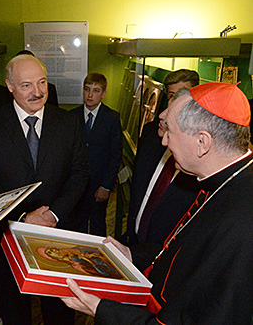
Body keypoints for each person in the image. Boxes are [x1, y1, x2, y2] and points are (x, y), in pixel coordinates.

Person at [62, 82, 253, 324]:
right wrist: (133, 254)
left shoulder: (242, 222)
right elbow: (182, 255)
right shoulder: (218, 182)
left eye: (170, 133)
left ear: (202, 142)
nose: (164, 143)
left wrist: (103, 310)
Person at [0, 54, 89, 325]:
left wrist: (54, 214)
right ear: (9, 85)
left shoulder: (68, 122)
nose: (37, 92)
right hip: (10, 233)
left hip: (57, 233)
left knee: (59, 309)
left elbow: (80, 173)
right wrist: (24, 219)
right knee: (14, 309)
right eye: (26, 85)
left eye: (42, 83)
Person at [121, 69, 200, 271]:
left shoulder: (198, 162)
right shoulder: (151, 135)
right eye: (171, 96)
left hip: (164, 265)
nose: (170, 106)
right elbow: (138, 191)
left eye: (180, 96)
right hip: (132, 246)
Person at [71, 72, 122, 236]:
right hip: (77, 184)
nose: (90, 95)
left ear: (103, 94)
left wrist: (106, 185)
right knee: (76, 223)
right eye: (87, 89)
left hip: (99, 183)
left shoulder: (112, 118)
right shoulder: (71, 116)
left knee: (97, 224)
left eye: (96, 90)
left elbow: (115, 155)